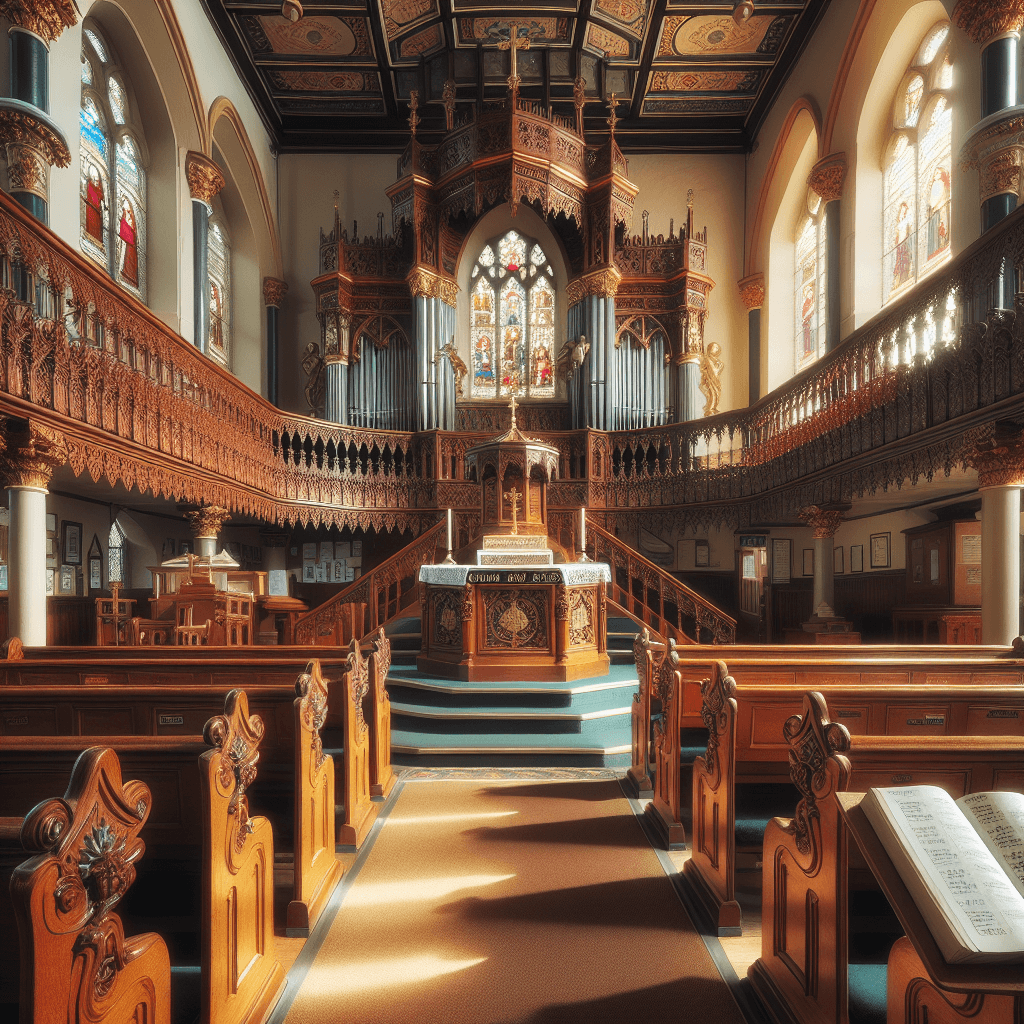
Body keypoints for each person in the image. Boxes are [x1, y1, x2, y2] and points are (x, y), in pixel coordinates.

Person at [118, 198, 139, 286]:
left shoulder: (134, 232)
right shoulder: (133, 231)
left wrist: (124, 214)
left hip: (131, 254)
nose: (129, 216)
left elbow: (124, 230)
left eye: (130, 213)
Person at [892, 200, 912, 290]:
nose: (904, 212)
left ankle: (903, 278)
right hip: (899, 244)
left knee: (904, 261)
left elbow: (907, 231)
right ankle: (897, 280)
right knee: (899, 262)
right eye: (903, 210)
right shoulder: (900, 222)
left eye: (905, 210)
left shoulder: (906, 220)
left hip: (904, 243)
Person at [84, 164, 105, 245]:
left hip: (97, 212)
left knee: (97, 229)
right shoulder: (89, 185)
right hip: (91, 209)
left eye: (97, 180)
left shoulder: (98, 190)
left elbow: (101, 197)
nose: (96, 181)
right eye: (94, 178)